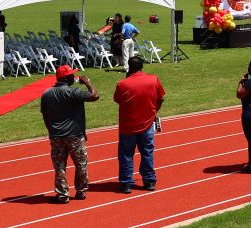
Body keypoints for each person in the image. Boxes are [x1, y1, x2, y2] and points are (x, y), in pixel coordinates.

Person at [39, 65, 100, 203]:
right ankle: (81, 191)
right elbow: (95, 95)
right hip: (75, 136)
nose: (74, 77)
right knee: (81, 164)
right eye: (72, 75)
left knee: (59, 166)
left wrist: (51, 131)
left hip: (56, 136)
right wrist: (87, 82)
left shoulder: (47, 94)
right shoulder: (73, 92)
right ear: (66, 78)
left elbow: (45, 115)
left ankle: (62, 194)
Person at [113, 56, 166, 194]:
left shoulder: (122, 84)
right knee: (147, 153)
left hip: (127, 127)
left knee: (126, 155)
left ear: (129, 67)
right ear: (142, 66)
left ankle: (126, 184)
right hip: (147, 125)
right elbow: (161, 98)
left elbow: (117, 100)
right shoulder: (153, 80)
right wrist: (154, 111)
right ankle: (149, 181)